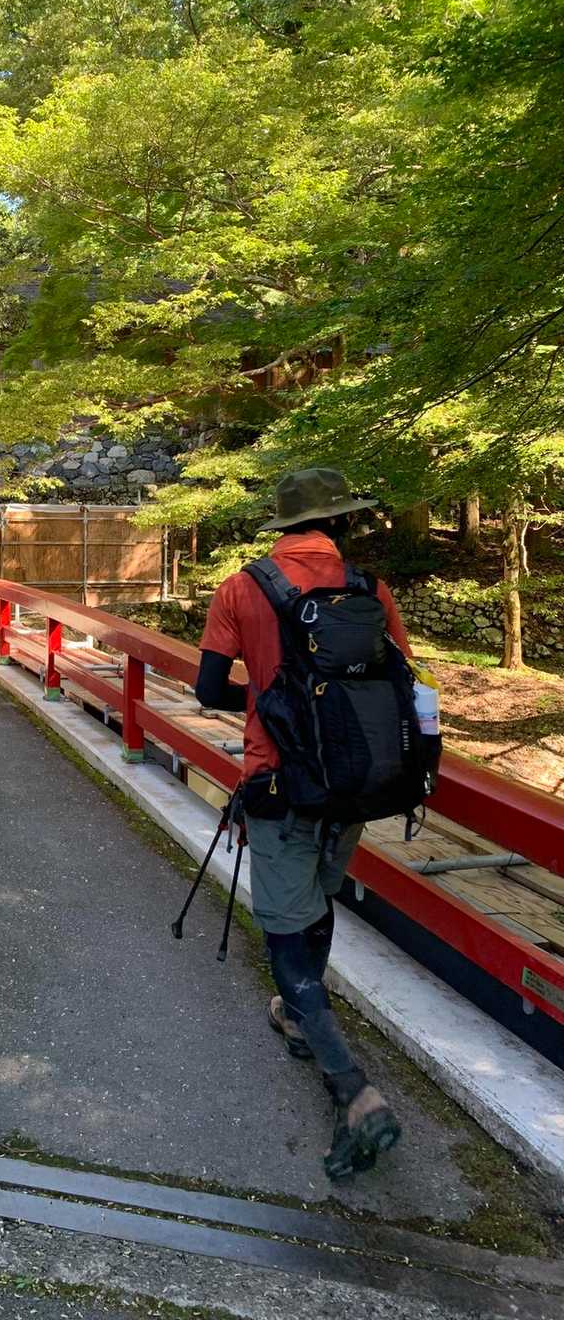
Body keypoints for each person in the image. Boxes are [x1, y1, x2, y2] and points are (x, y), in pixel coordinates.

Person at [195, 468, 419, 1181]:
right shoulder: (369, 588)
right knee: (318, 904)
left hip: (279, 785)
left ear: (283, 525)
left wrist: (269, 699)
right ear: (341, 522)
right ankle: (298, 1017)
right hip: (352, 787)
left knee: (285, 940)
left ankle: (356, 1094)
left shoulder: (243, 588)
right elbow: (403, 681)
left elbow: (207, 688)